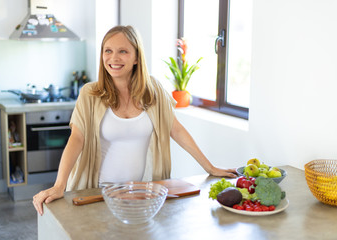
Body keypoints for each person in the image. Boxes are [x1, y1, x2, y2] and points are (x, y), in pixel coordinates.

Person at [32, 25, 237, 215]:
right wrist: (59, 185)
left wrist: (209, 167)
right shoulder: (90, 94)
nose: (114, 58)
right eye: (108, 50)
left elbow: (176, 129)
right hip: (97, 192)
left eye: (123, 51)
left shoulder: (154, 90)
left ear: (137, 57)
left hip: (141, 192)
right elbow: (77, 139)